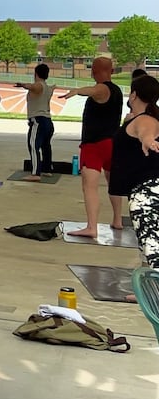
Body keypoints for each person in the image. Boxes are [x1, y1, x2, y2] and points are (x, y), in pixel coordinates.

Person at [62, 54, 124, 239]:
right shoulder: (118, 91)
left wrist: (77, 91)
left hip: (95, 145)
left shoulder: (103, 89)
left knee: (89, 187)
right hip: (113, 143)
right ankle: (118, 220)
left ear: (94, 71)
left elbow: (95, 91)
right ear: (112, 71)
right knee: (114, 184)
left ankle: (91, 227)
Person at [114, 74, 159, 266]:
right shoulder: (139, 118)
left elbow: (146, 131)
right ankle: (146, 288)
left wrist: (148, 140)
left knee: (152, 247)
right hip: (145, 189)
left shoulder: (146, 120)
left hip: (146, 193)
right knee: (146, 244)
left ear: (133, 95)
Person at [21, 62, 56, 181]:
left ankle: (35, 173)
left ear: (35, 74)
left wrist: (24, 85)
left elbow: (34, 87)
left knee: (33, 145)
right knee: (46, 146)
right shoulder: (47, 87)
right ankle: (47, 169)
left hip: (38, 120)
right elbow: (49, 90)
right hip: (48, 121)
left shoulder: (39, 85)